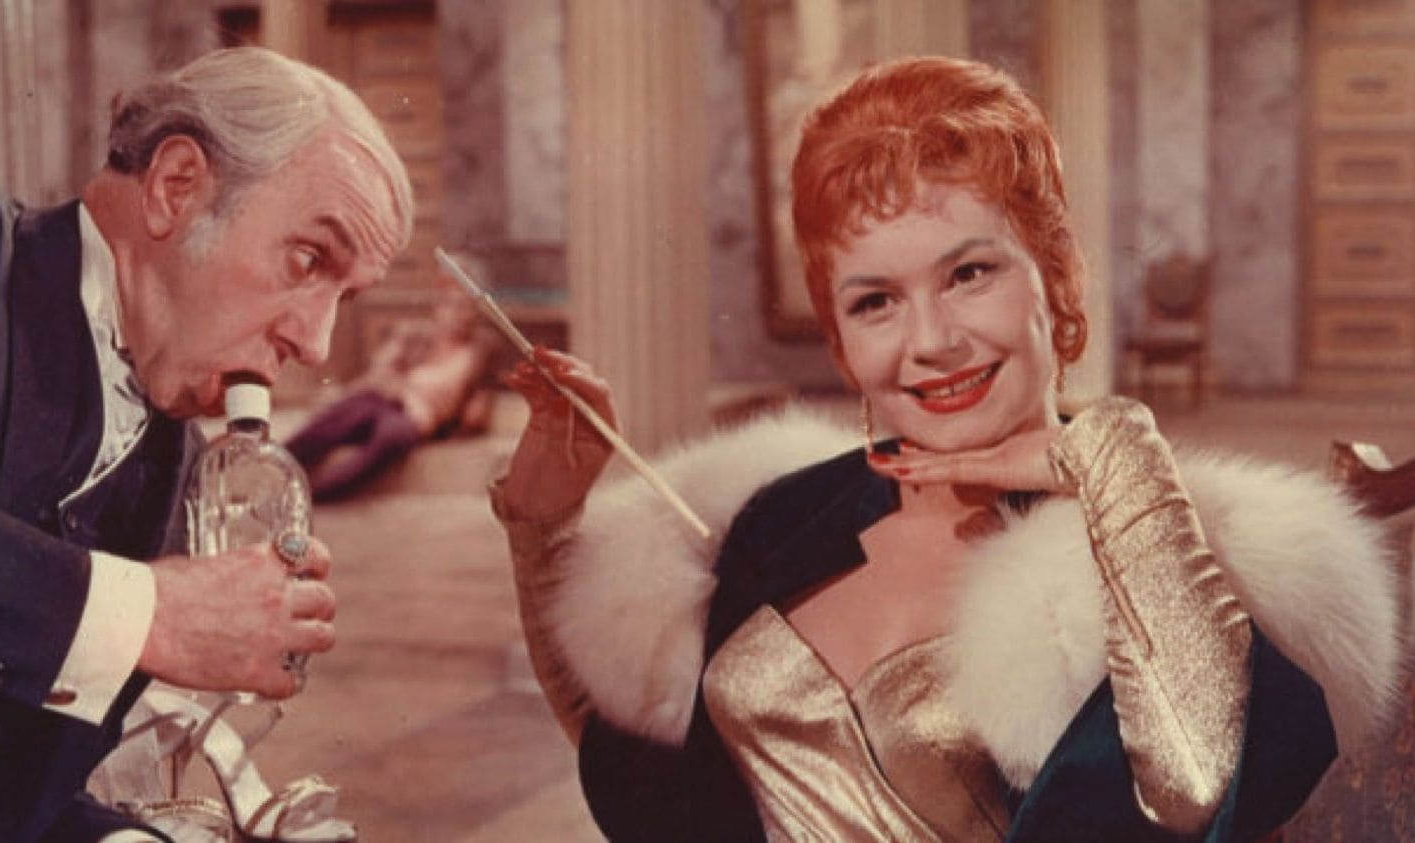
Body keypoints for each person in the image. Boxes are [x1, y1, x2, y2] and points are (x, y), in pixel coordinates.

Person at [491, 57, 1403, 841]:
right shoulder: (787, 513)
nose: (930, 341)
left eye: (969, 273)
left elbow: (1194, 787)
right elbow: (649, 753)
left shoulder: (1168, 548)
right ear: (840, 339)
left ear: (1054, 275)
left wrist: (1113, 454)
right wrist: (545, 519)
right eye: (875, 301)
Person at [0, 46, 412, 841]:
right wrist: (146, 613)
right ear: (176, 186)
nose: (317, 344)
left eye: (345, 298)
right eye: (307, 258)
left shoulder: (172, 472)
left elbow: (12, 802)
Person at [286, 281, 502, 501]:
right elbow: (380, 372)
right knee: (342, 416)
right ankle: (278, 464)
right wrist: (401, 391)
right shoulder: (415, 337)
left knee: (391, 437)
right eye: (453, 306)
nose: (461, 315)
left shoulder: (478, 352)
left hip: (416, 418)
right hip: (384, 400)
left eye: (467, 308)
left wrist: (449, 422)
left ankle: (316, 495)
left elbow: (476, 413)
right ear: (438, 308)